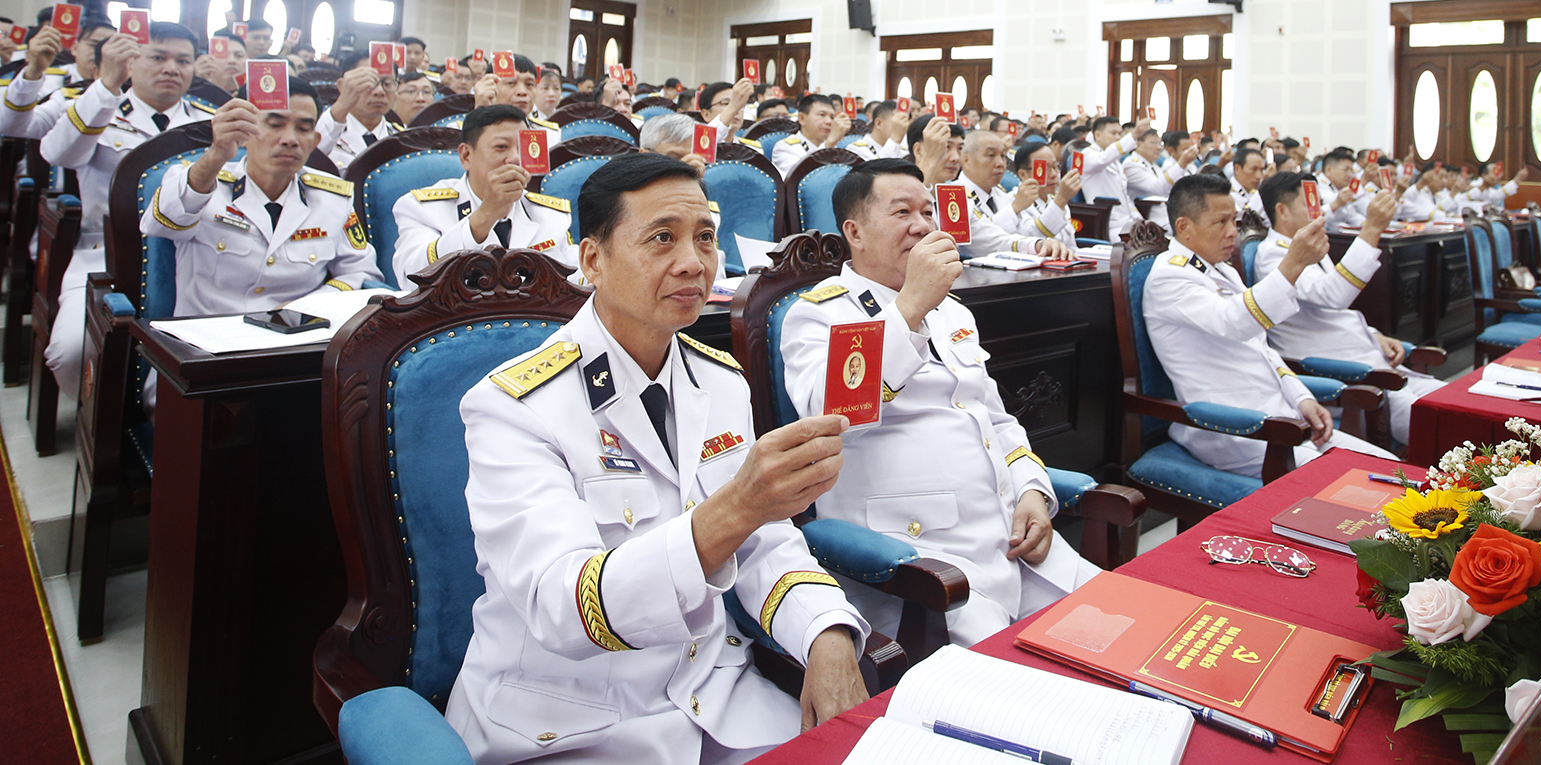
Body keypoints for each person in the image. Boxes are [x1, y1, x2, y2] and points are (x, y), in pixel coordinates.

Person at [446, 152, 868, 763]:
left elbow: (764, 546)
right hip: (570, 726)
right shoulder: (515, 406)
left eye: (705, 237)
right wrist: (735, 509)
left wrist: (826, 634)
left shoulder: (719, 380)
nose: (693, 262)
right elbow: (562, 607)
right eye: (662, 238)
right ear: (592, 259)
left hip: (716, 702)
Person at [780, 159, 1097, 646]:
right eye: (901, 212)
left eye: (928, 212)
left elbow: (994, 418)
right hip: (921, 560)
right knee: (1026, 684)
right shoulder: (820, 313)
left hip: (1011, 537)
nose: (922, 225)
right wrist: (908, 308)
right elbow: (832, 417)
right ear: (855, 232)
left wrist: (1032, 490)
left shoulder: (950, 310)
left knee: (1126, 638)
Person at [140, 78, 379, 408]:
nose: (290, 139)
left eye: (303, 128)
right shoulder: (201, 183)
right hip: (202, 365)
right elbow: (156, 224)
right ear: (245, 131)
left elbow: (361, 271)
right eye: (275, 124)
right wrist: (215, 155)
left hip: (297, 360)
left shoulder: (332, 198)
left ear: (316, 140)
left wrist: (305, 310)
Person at [1143, 172, 1395, 477]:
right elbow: (1235, 321)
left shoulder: (1221, 270)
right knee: (1355, 485)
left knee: (1390, 471)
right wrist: (1292, 264)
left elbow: (1261, 347)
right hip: (1235, 426)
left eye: (1233, 220)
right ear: (1184, 227)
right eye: (1220, 222)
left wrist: (1302, 398)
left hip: (1281, 416)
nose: (1232, 232)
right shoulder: (1169, 276)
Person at [39, 24, 210, 396]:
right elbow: (56, 154)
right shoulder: (99, 107)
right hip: (105, 255)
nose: (171, 68)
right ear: (132, 61)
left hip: (193, 257)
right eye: (158, 57)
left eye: (183, 61)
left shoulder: (210, 121)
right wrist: (106, 86)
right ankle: (99, 414)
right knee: (70, 355)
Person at [1254, 172, 1442, 444]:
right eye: (1311, 204)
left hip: (1370, 360)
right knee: (1441, 430)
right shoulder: (1274, 254)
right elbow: (1334, 296)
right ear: (1282, 211)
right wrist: (1371, 229)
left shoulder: (1307, 245)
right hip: (1343, 372)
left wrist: (1374, 334)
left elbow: (1333, 312)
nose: (1320, 212)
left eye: (1319, 203)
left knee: (1453, 399)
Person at [390, 105, 576, 290]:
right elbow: (412, 278)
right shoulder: (423, 208)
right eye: (501, 147)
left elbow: (575, 276)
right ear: (466, 155)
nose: (514, 158)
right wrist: (485, 215)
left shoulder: (549, 214)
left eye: (522, 148)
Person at [952, 130, 1069, 258]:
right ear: (966, 160)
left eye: (1003, 156)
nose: (1000, 163)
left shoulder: (1000, 193)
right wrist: (1015, 208)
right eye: (991, 155)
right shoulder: (954, 195)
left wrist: (1039, 244)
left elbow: (1027, 233)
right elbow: (986, 240)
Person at [0, 11, 114, 138]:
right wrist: (34, 70)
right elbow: (11, 126)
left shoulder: (123, 92)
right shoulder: (46, 80)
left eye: (108, 48)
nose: (100, 53)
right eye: (94, 45)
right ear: (75, 48)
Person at [1075, 113, 1154, 239]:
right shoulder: (1087, 155)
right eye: (1113, 133)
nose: (1117, 137)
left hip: (1127, 222)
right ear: (1098, 135)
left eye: (1119, 133)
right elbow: (1104, 159)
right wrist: (1133, 135)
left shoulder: (1116, 161)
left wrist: (1140, 220)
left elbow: (1125, 196)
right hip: (1108, 225)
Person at [316, 54, 403, 168]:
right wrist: (341, 105)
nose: (380, 91)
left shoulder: (403, 139)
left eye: (387, 83)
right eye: (369, 82)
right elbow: (311, 155)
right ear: (342, 86)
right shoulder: (326, 131)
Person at [476, 54, 562, 148]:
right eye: (511, 83)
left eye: (529, 84)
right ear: (491, 86)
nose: (522, 92)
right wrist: (480, 112)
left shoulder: (550, 136)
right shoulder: (468, 130)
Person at [1009, 141, 1083, 250]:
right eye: (1045, 169)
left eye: (1055, 167)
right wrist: (1060, 201)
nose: (1053, 175)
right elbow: (1031, 240)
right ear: (1023, 174)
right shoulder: (1013, 203)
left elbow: (1071, 247)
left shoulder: (1055, 200)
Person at [770, 93, 852, 181]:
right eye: (822, 115)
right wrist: (829, 143)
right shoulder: (785, 147)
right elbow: (801, 182)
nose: (829, 121)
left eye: (832, 117)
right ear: (802, 118)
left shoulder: (835, 149)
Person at [1316, 149, 1369, 230]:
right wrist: (1336, 204)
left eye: (1351, 170)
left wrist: (1367, 224)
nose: (1350, 175)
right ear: (1329, 170)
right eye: (1346, 170)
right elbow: (1312, 218)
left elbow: (1351, 215)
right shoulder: (1315, 185)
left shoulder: (1341, 188)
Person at [906, 113, 961, 186]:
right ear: (918, 151)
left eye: (960, 148)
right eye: (946, 147)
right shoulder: (899, 188)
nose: (956, 158)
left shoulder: (964, 190)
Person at [698, 77, 757, 142]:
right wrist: (733, 107)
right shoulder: (693, 143)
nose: (736, 110)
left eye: (740, 105)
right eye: (726, 103)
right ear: (706, 114)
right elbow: (707, 140)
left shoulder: (750, 147)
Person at [1226, 145, 1270, 225]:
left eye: (1261, 170)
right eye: (1254, 169)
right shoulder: (1227, 193)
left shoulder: (1254, 192)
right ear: (1237, 168)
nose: (1259, 176)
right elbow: (1244, 221)